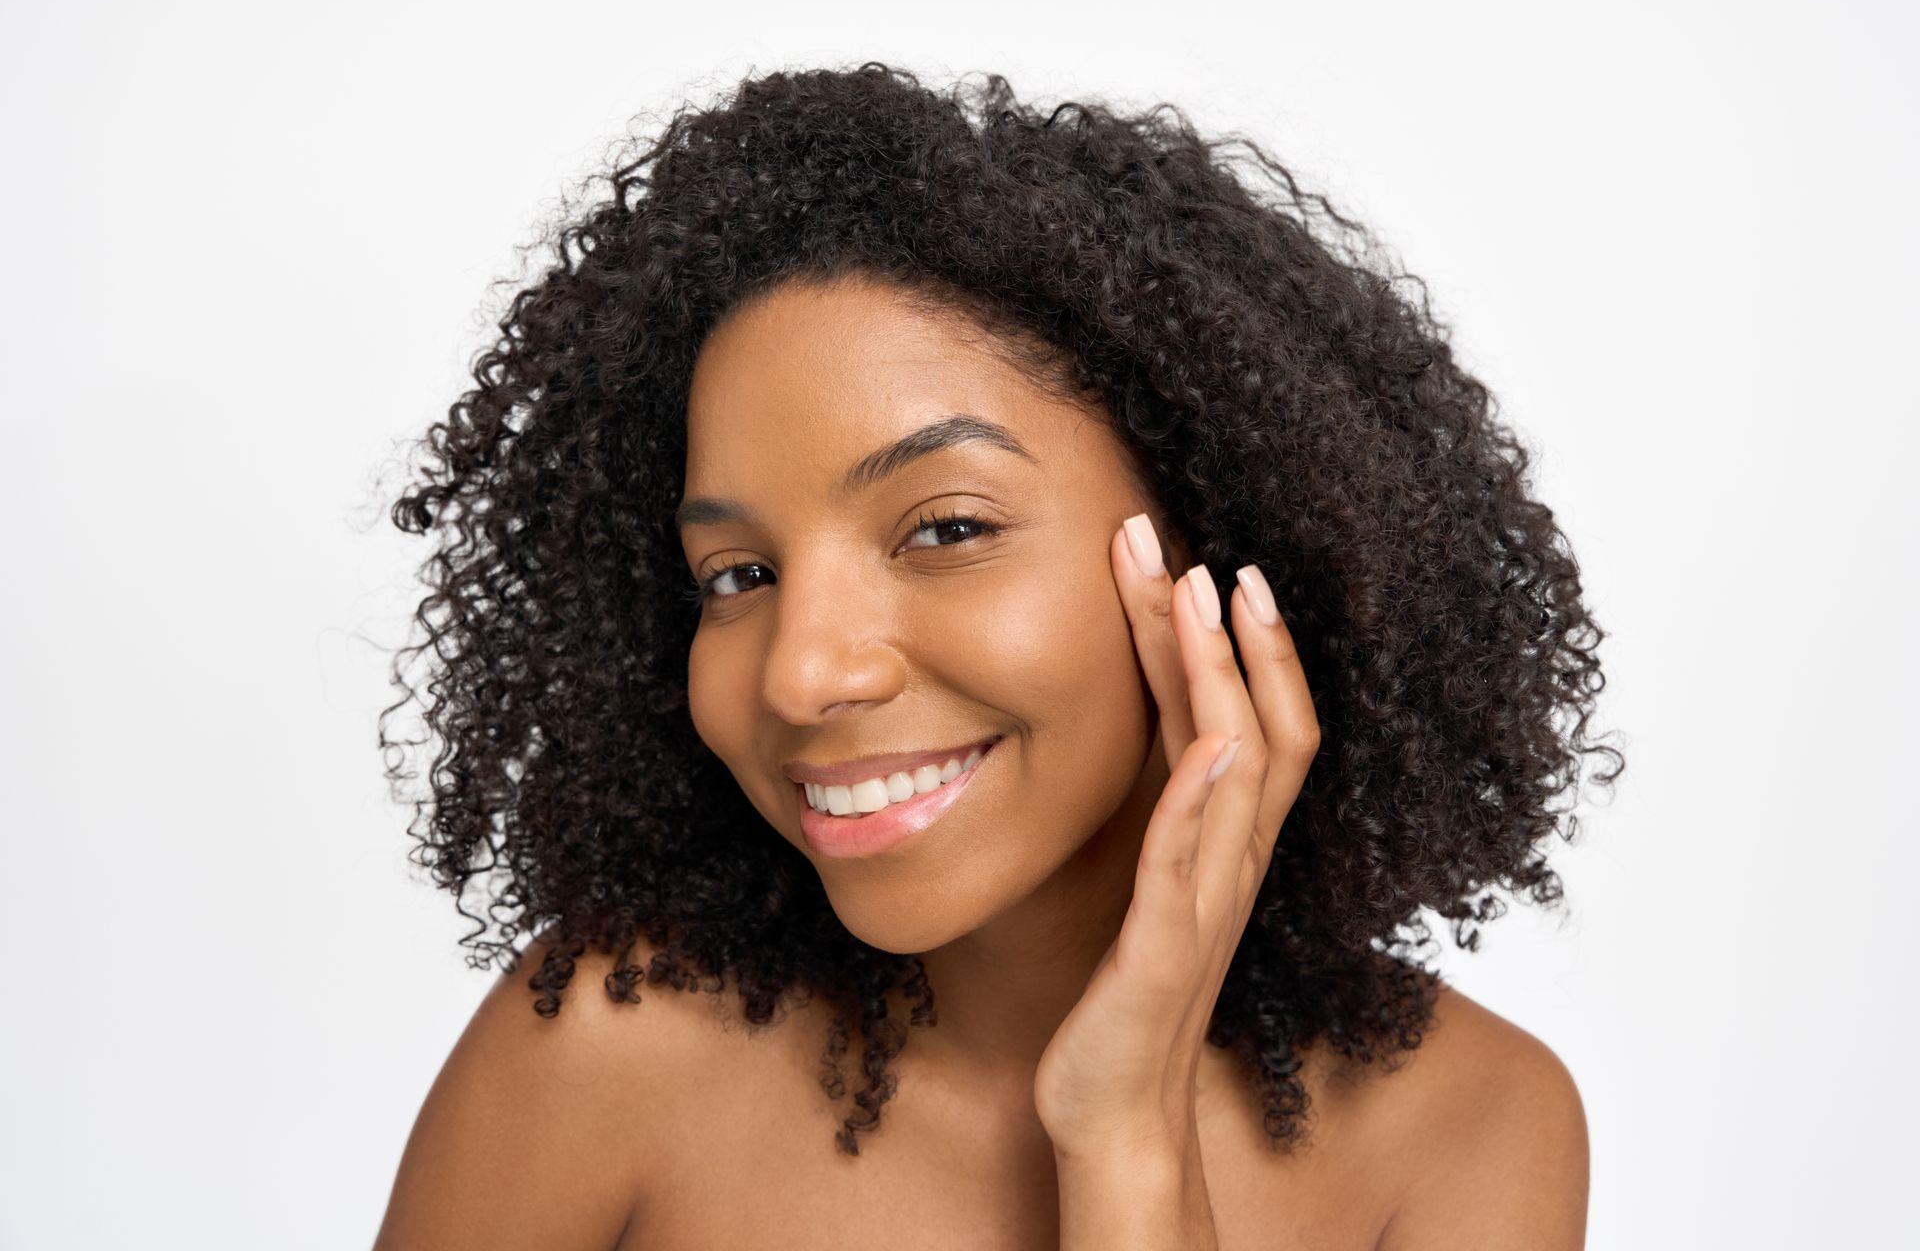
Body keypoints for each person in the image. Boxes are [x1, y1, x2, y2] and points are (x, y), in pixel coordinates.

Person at [372, 61, 1619, 1249]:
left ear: (1210, 551)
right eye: (739, 577)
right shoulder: (609, 1045)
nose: (802, 673)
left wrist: (1129, 1130)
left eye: (947, 528)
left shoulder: (1467, 1126)